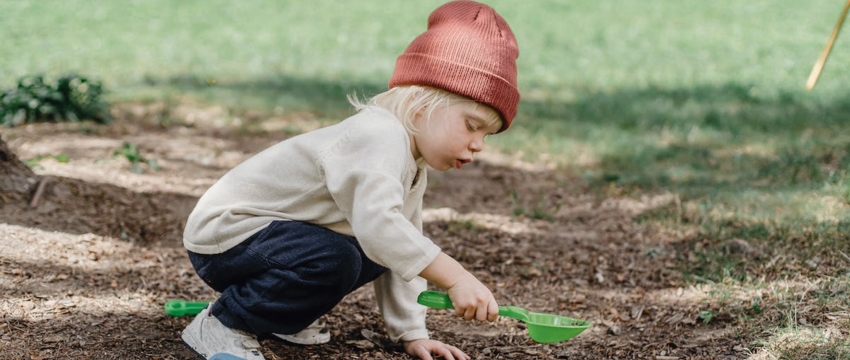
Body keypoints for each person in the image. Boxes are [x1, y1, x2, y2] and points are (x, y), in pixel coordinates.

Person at [180, 1, 520, 359]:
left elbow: (402, 246)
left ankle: (280, 315)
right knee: (340, 257)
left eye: (488, 135)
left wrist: (412, 334)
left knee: (378, 251)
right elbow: (381, 227)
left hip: (271, 239)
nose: (478, 145)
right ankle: (224, 324)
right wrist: (456, 277)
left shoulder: (411, 162)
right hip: (226, 236)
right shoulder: (379, 136)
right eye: (472, 125)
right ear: (422, 105)